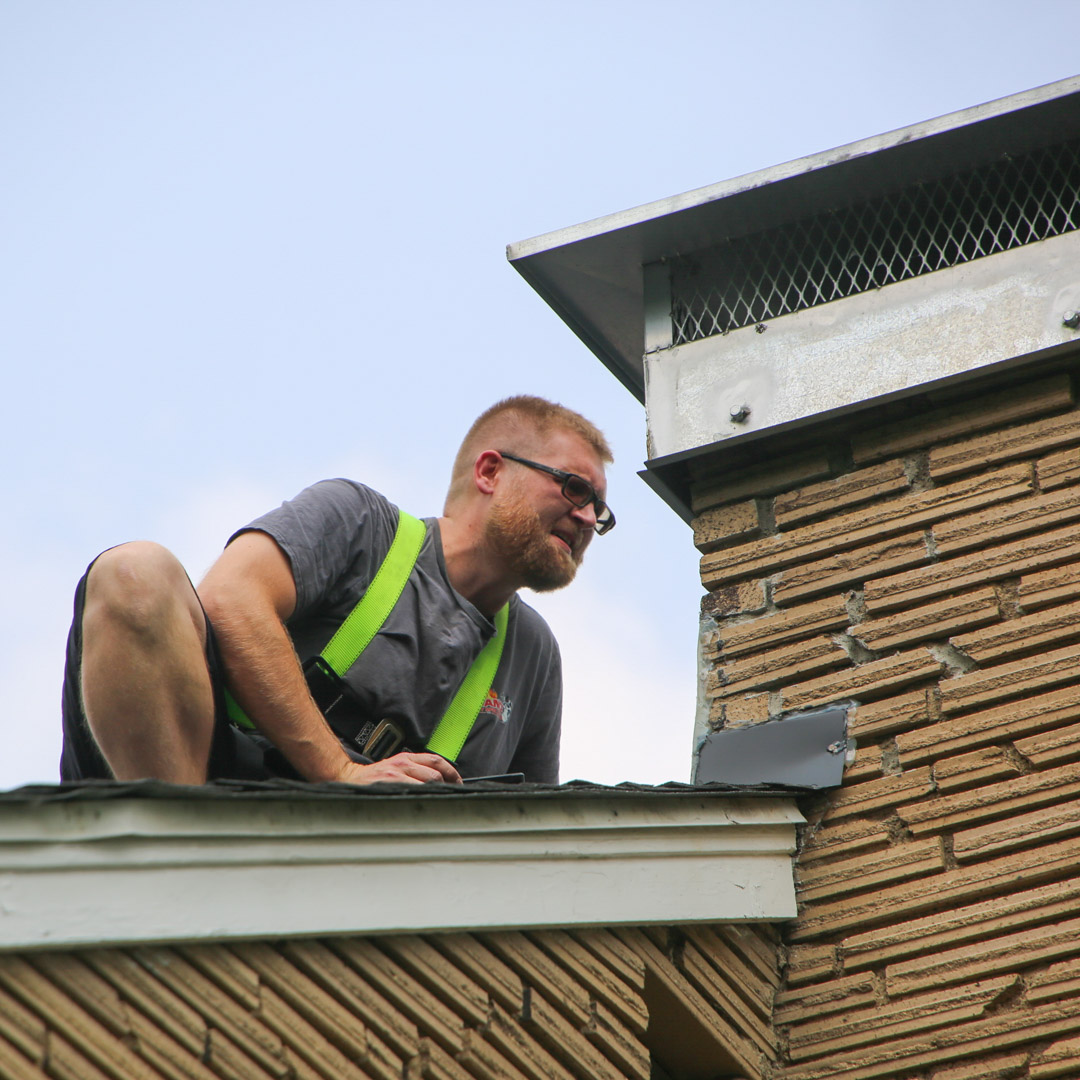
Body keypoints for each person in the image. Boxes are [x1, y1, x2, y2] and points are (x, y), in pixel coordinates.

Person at [60, 396, 614, 787]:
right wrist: (342, 770)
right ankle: (170, 858)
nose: (588, 517)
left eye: (600, 509)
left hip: (344, 901)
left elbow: (533, 836)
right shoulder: (360, 524)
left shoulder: (534, 657)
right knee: (135, 573)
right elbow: (229, 600)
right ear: (490, 471)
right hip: (209, 784)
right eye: (572, 487)